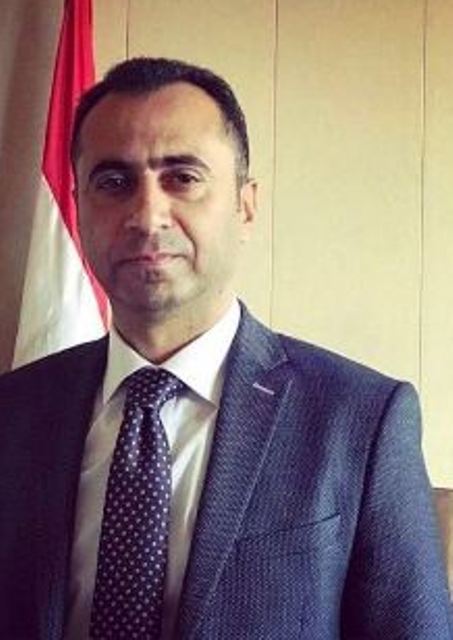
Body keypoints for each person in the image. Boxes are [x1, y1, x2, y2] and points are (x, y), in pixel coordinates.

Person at [0, 57, 451, 640]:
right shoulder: (15, 411)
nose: (147, 215)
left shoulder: (360, 420)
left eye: (183, 178)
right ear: (78, 206)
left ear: (245, 205)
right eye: (113, 183)